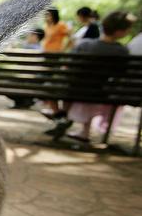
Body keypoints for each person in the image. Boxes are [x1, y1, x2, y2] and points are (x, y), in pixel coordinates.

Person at [58, 11, 135, 142]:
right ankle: (88, 132)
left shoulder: (84, 44)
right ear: (119, 32)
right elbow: (122, 74)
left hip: (76, 91)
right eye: (127, 29)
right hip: (102, 93)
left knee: (83, 85)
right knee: (99, 88)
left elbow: (68, 67)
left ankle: (74, 125)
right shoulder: (121, 51)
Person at [40, 7, 71, 121]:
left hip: (55, 56)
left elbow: (71, 37)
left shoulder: (61, 25)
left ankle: (55, 110)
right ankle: (53, 108)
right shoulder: (47, 26)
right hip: (46, 55)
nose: (46, 17)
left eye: (48, 14)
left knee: (52, 79)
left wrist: (64, 49)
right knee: (47, 78)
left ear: (54, 15)